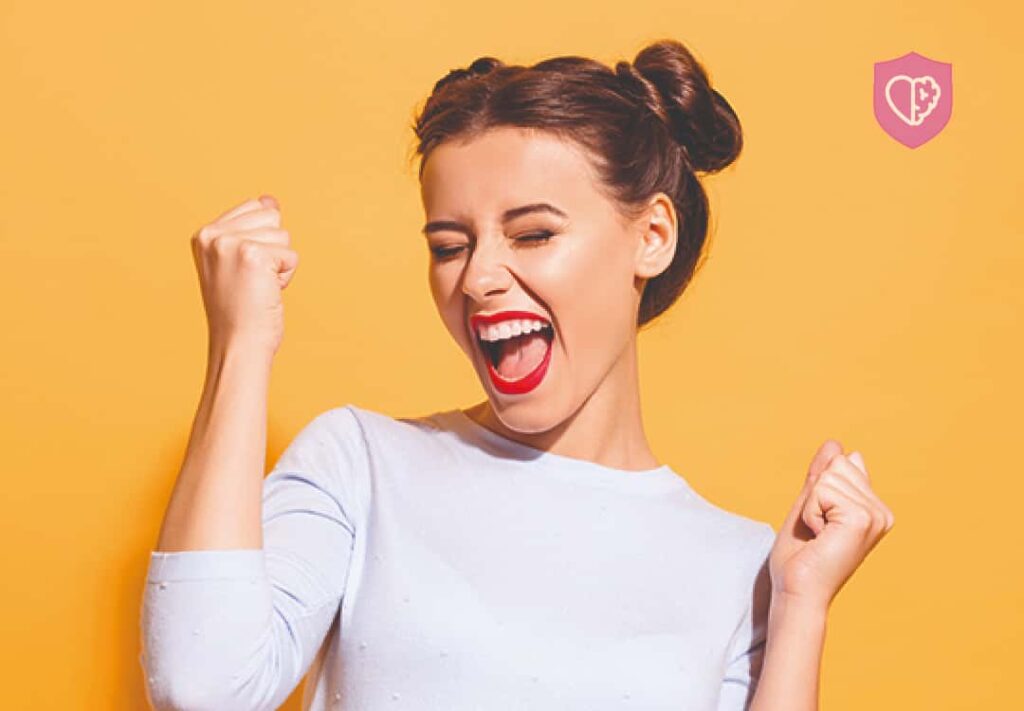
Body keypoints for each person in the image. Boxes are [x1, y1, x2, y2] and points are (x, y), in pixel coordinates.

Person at [140, 38, 895, 711]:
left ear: (652, 235)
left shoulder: (740, 566)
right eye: (449, 245)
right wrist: (241, 345)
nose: (479, 278)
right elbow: (201, 685)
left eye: (533, 232)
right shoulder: (360, 466)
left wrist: (801, 606)